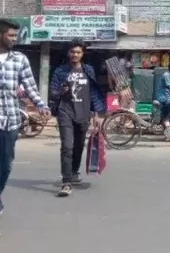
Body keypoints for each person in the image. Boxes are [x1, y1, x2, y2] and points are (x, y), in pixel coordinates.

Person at [0, 19, 49, 214]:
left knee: (5, 163)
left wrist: (41, 105)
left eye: (15, 35)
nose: (14, 39)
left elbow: (30, 85)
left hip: (10, 119)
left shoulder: (19, 59)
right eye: (11, 35)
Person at [50, 39, 105, 198]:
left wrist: (97, 113)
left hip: (83, 114)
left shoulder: (88, 70)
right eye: (73, 52)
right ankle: (66, 182)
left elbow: (93, 93)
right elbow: (53, 92)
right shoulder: (60, 71)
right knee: (67, 146)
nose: (75, 54)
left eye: (78, 52)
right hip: (65, 112)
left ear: (82, 54)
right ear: (69, 53)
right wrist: (61, 90)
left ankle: (74, 172)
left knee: (79, 146)